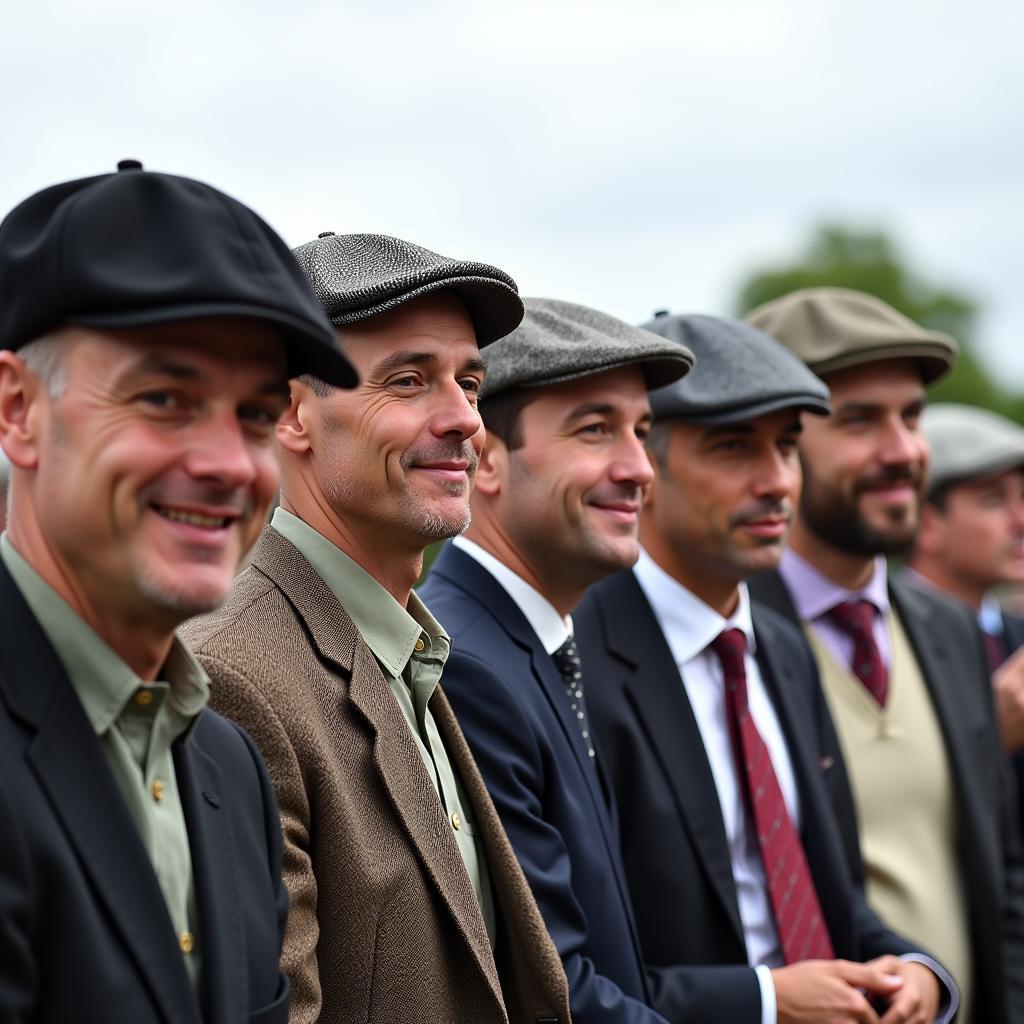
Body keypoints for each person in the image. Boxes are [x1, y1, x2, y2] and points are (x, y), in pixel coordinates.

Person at [182, 234, 571, 1024]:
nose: (466, 420)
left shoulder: (406, 646)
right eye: (408, 381)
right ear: (291, 412)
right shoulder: (233, 676)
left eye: (469, 381)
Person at [0, 160, 356, 1023]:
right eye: (165, 398)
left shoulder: (225, 764)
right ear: (17, 410)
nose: (230, 464)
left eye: (255, 415)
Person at [575, 312, 954, 1024]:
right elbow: (572, 975)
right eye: (732, 448)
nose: (777, 481)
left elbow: (831, 897)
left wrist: (919, 973)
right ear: (646, 467)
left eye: (786, 447)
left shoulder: (778, 649)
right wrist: (767, 1002)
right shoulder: (578, 657)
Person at [424, 297, 774, 1024]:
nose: (640, 469)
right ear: (484, 458)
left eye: (643, 432)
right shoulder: (468, 662)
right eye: (596, 430)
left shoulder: (532, 638)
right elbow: (555, 989)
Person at [745, 287, 1024, 1024]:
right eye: (860, 420)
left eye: (912, 416)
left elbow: (1001, 876)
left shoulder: (951, 630)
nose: (903, 451)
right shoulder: (728, 640)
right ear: (774, 441)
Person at [905, 402, 1024, 825]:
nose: (1021, 520)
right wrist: (991, 740)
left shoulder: (1016, 636)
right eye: (994, 501)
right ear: (926, 523)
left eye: (1023, 497)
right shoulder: (883, 642)